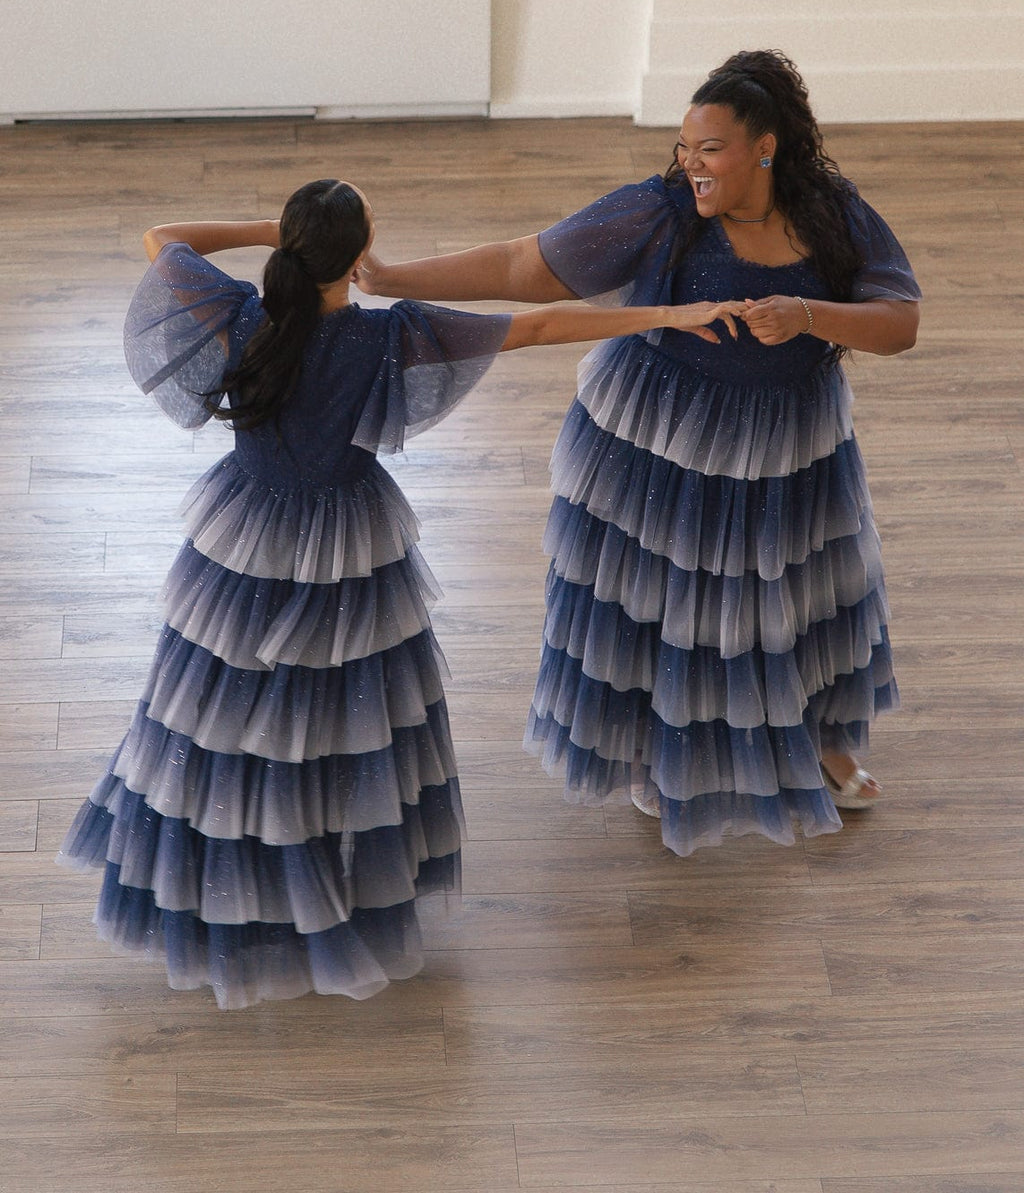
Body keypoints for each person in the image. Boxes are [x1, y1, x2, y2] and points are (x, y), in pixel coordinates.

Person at [57, 177, 745, 1009]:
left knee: (221, 713)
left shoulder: (241, 317)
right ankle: (326, 883)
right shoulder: (385, 341)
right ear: (354, 256)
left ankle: (235, 890)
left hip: (245, 535)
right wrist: (663, 317)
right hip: (349, 544)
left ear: (292, 248)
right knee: (343, 718)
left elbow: (162, 232)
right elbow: (539, 326)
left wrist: (267, 227)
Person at [354, 50, 922, 857]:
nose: (691, 164)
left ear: (765, 147)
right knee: (668, 598)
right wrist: (392, 277)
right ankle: (665, 748)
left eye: (711, 149)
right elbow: (528, 263)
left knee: (802, 587)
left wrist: (811, 314)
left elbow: (900, 321)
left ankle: (817, 738)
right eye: (685, 148)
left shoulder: (833, 211)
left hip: (790, 438)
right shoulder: (660, 212)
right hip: (664, 437)